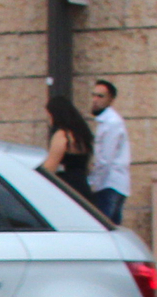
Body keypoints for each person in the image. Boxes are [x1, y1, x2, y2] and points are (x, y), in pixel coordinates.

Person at [88, 79, 131, 225]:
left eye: (100, 96)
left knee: (104, 230)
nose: (95, 100)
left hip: (109, 184)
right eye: (94, 95)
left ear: (111, 100)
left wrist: (93, 184)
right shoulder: (107, 121)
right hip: (113, 184)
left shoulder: (111, 123)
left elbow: (105, 160)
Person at [42, 96, 93, 198]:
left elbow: (50, 167)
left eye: (49, 116)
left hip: (67, 188)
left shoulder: (62, 136)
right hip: (83, 187)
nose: (49, 121)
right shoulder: (81, 134)